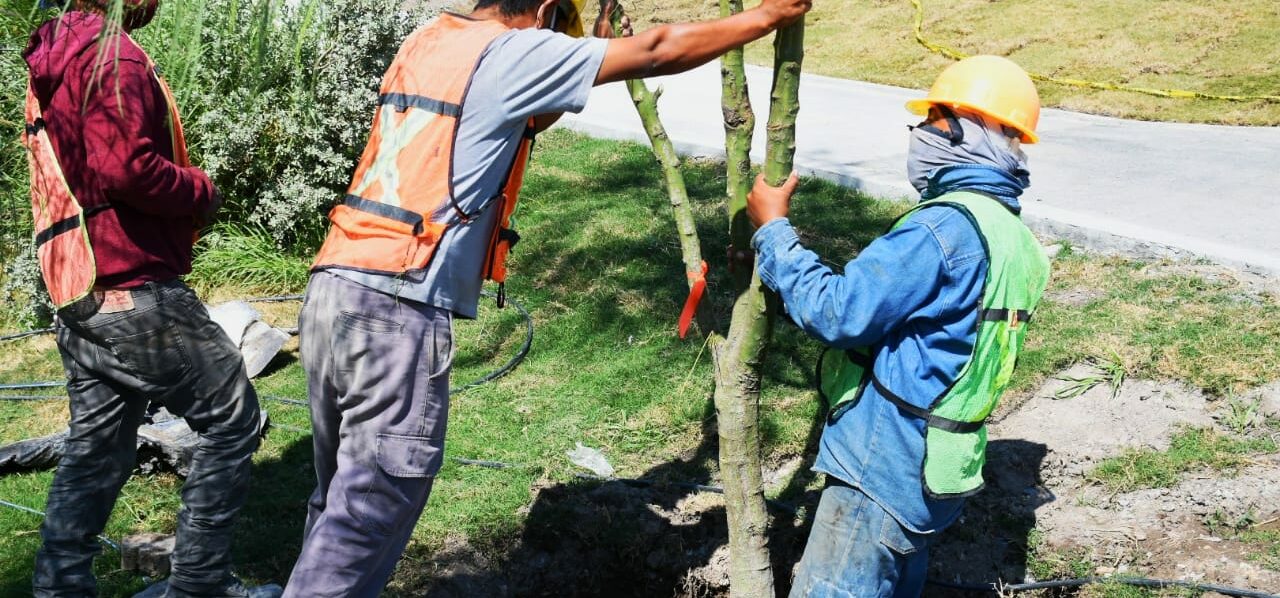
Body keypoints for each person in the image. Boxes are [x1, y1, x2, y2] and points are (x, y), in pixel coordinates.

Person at [285, 0, 811, 593]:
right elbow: (660, 50)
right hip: (397, 306)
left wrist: (592, 55)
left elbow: (517, 120)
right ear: (543, 12)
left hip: (336, 287)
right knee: (370, 510)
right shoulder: (515, 50)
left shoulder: (436, 38)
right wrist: (766, 17)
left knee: (339, 502)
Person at [745, 55, 1052, 597]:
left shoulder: (942, 228)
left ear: (972, 130)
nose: (919, 135)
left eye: (933, 120)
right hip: (938, 468)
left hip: (883, 467)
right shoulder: (1015, 238)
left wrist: (773, 231)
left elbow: (840, 313)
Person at [23, 1, 276, 596]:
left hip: (79, 287)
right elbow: (126, 169)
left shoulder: (58, 52)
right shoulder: (113, 58)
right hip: (135, 288)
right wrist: (199, 189)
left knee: (97, 450)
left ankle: (59, 589)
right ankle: (200, 586)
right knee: (232, 424)